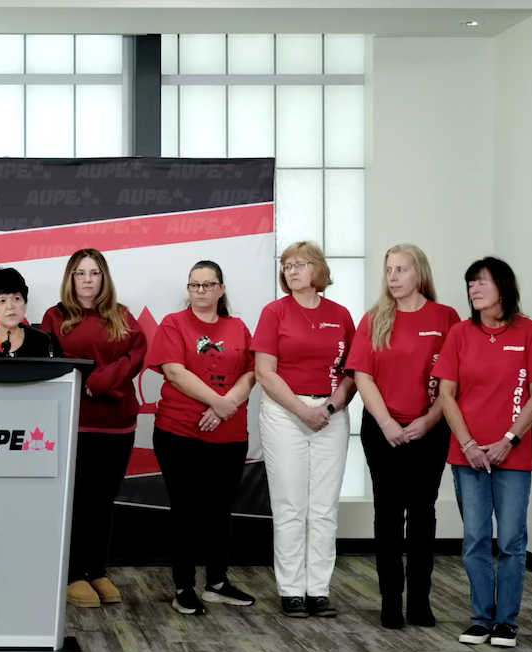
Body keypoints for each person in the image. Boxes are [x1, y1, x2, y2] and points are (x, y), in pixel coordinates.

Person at [434, 257, 532, 649]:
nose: (473, 289)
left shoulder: (531, 332)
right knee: (474, 538)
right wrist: (468, 443)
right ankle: (480, 618)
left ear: (502, 287)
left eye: (481, 282)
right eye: (469, 283)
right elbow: (446, 394)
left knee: (511, 541)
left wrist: (510, 439)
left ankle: (506, 622)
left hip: (512, 454)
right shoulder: (459, 334)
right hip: (466, 454)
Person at [345, 244, 460, 629]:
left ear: (419, 273)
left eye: (401, 270)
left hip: (429, 430)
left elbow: (452, 381)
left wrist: (429, 420)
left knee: (423, 514)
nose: (392, 277)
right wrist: (387, 423)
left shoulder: (446, 318)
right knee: (388, 514)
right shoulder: (374, 317)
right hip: (383, 433)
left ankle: (421, 600)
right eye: (389, 270)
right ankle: (391, 599)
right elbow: (362, 375)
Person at [146, 261, 258, 616]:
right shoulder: (173, 324)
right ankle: (183, 587)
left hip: (229, 434)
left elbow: (253, 372)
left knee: (220, 510)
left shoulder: (238, 327)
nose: (200, 291)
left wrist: (227, 407)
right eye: (194, 285)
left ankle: (217, 583)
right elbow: (174, 372)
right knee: (186, 510)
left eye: (208, 285)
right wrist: (218, 402)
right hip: (179, 432)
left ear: (221, 289)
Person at [252, 241, 356, 619]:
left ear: (318, 269)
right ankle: (292, 590)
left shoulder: (341, 314)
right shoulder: (274, 312)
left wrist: (326, 408)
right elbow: (265, 372)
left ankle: (319, 591)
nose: (292, 270)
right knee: (291, 505)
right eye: (287, 265)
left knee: (324, 508)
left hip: (331, 413)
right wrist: (302, 411)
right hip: (284, 412)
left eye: (300, 264)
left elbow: (352, 374)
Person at [39, 249, 146, 609]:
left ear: (104, 278)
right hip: (75, 422)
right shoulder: (55, 317)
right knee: (77, 501)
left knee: (103, 502)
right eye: (81, 273)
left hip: (118, 423)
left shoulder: (122, 315)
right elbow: (55, 360)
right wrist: (100, 381)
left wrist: (99, 383)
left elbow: (136, 355)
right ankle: (72, 574)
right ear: (71, 278)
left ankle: (97, 569)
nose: (88, 279)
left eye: (95, 272)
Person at [0, 267, 60, 358]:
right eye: (2, 301)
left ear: (25, 304)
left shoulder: (46, 342)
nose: (10, 306)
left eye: (16, 298)